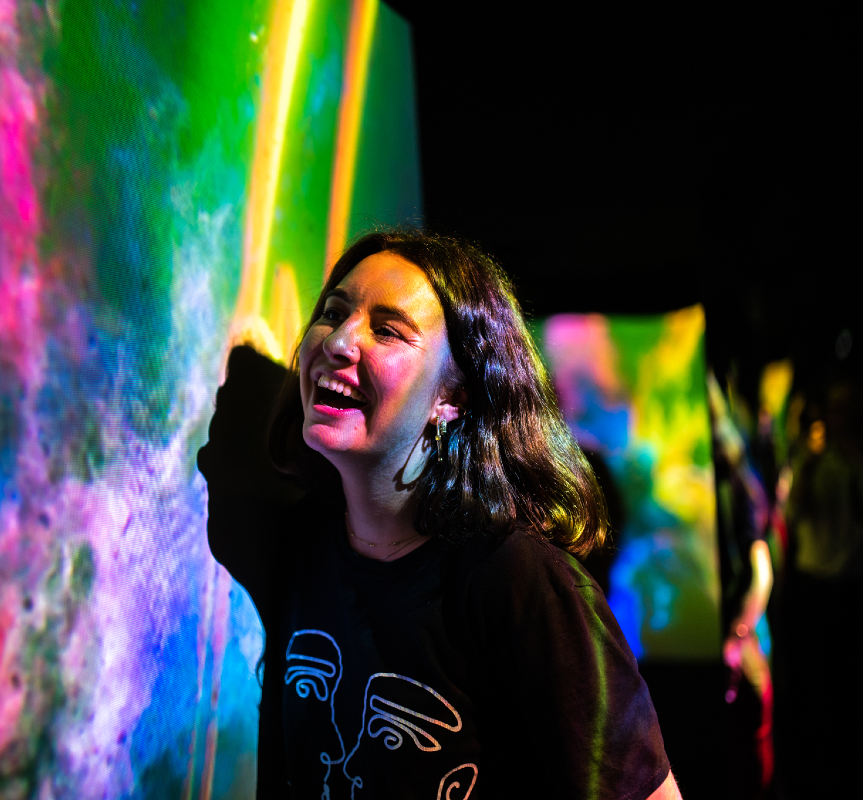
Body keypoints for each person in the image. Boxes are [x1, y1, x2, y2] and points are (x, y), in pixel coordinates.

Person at [199, 229, 680, 798]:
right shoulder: (298, 545)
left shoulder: (522, 582)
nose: (339, 339)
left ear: (453, 397)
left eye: (387, 330)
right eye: (333, 312)